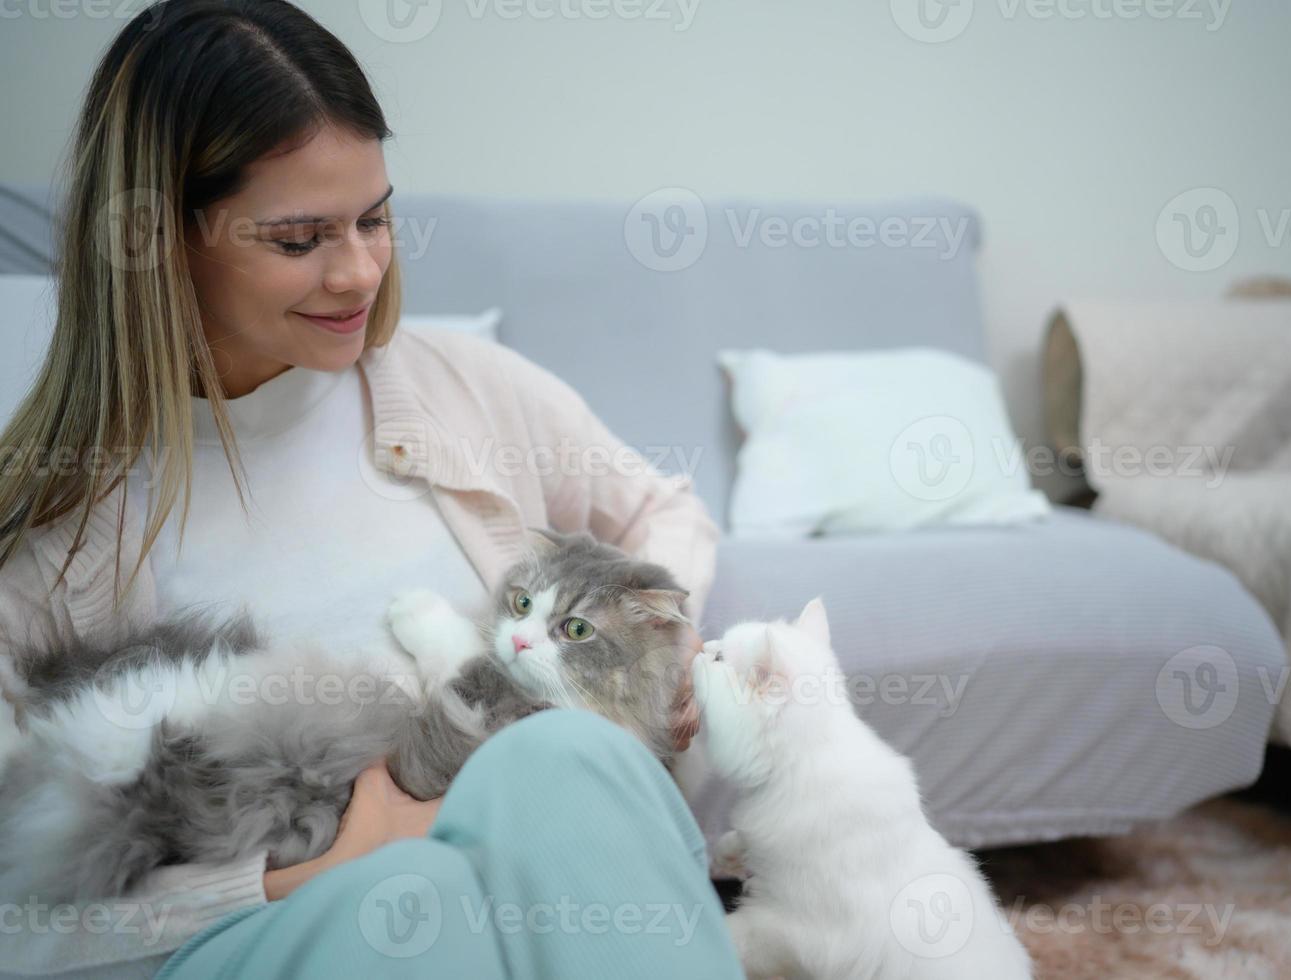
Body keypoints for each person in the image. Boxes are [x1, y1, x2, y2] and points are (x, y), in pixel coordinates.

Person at [0, 1, 740, 976]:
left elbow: (662, 511)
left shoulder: (459, 384)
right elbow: (21, 922)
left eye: (374, 218)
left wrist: (667, 646)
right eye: (300, 237)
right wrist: (302, 877)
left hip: (509, 871)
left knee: (572, 756)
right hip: (274, 929)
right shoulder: (54, 528)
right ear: (160, 241)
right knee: (416, 900)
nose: (358, 271)